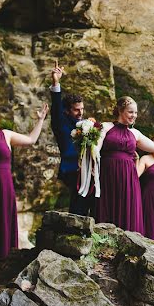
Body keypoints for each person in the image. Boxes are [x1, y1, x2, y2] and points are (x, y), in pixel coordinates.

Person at [0, 102, 48, 277]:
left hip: (4, 185)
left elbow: (31, 140)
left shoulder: (6, 134)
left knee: (3, 221)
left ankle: (4, 264)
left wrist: (40, 120)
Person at [95, 97, 154, 234]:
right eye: (130, 112)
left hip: (128, 177)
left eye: (136, 113)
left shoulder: (135, 133)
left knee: (128, 208)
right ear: (121, 111)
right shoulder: (105, 126)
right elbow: (96, 149)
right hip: (108, 174)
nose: (134, 115)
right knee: (108, 206)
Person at [50, 62, 91, 216]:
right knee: (77, 206)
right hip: (72, 169)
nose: (80, 112)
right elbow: (56, 107)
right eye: (76, 109)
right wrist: (56, 83)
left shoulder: (86, 124)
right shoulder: (61, 122)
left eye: (82, 109)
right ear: (67, 111)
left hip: (88, 169)